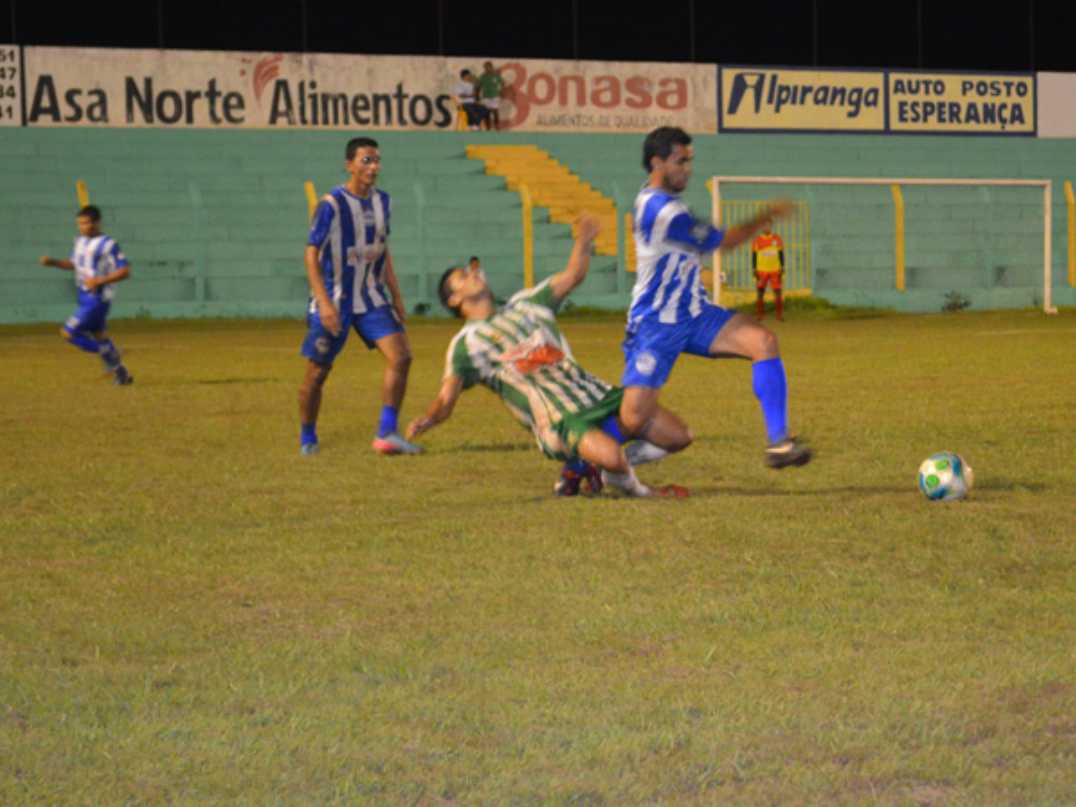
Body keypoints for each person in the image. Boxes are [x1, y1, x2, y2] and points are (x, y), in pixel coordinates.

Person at [405, 215, 688, 498]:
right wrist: (429, 419)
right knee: (613, 457)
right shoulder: (466, 345)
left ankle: (582, 465)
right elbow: (446, 399)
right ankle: (640, 490)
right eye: (463, 277)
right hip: (559, 418)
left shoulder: (527, 303)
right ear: (455, 300)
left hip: (595, 392)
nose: (474, 274)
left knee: (679, 436)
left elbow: (572, 276)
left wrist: (583, 241)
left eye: (471, 271)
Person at [620, 127, 811, 469]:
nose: (688, 169)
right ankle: (597, 458)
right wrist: (767, 215)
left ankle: (779, 443)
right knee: (634, 419)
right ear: (657, 162)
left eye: (689, 161)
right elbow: (728, 241)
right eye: (680, 161)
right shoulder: (660, 210)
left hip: (694, 313)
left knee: (763, 341)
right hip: (656, 323)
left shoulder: (670, 204)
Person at [298, 136, 420, 456]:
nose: (373, 166)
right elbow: (311, 256)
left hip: (370, 297)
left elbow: (382, 249)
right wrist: (324, 303)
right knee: (318, 372)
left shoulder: (384, 202)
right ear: (349, 165)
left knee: (402, 356)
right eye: (366, 160)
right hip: (335, 300)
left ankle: (386, 433)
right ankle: (308, 436)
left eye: (377, 160)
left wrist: (395, 293)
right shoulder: (331, 205)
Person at [38, 205, 133, 385]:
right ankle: (122, 375)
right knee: (100, 335)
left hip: (97, 298)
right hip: (83, 295)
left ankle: (109, 352)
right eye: (80, 224)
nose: (82, 227)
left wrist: (99, 280)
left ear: (97, 222)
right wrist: (54, 262)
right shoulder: (80, 241)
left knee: (68, 333)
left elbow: (125, 271)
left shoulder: (108, 244)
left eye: (86, 223)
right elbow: (74, 264)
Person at [752, 224, 785, 321]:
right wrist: (754, 268)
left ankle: (779, 316)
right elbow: (754, 255)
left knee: (778, 292)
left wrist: (782, 266)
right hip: (762, 270)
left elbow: (781, 254)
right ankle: (759, 315)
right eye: (765, 226)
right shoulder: (757, 240)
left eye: (768, 226)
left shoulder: (777, 239)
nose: (766, 228)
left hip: (775, 270)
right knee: (760, 293)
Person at [477, 61, 504, 131]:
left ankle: (497, 128)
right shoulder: (482, 77)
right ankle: (488, 129)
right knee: (487, 113)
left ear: (491, 67)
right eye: (485, 67)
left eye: (488, 67)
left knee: (495, 112)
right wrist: (477, 97)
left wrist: (501, 92)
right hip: (486, 97)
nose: (487, 69)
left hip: (495, 96)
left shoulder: (496, 76)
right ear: (484, 68)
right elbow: (478, 86)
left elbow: (502, 83)